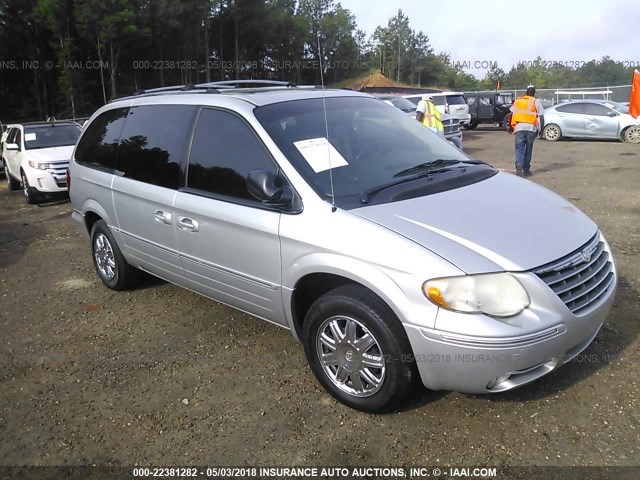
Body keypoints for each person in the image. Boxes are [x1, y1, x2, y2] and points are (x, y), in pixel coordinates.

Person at [510, 86, 544, 177]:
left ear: (526, 93)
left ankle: (519, 164)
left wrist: (510, 127)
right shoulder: (536, 101)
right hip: (531, 128)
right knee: (528, 149)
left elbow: (511, 113)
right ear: (534, 94)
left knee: (519, 148)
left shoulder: (518, 101)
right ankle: (526, 170)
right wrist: (541, 130)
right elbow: (541, 116)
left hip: (519, 127)